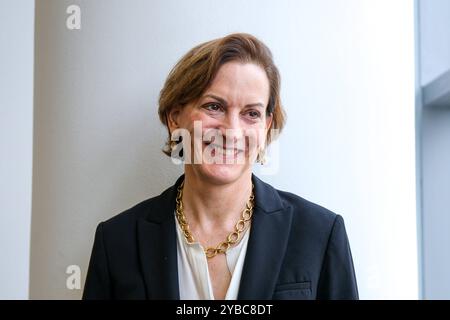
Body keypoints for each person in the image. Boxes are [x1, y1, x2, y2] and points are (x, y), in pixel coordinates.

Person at [83, 33, 358, 300]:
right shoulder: (117, 241)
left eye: (251, 113)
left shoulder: (320, 234)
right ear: (175, 118)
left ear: (266, 126)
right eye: (214, 106)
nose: (232, 132)